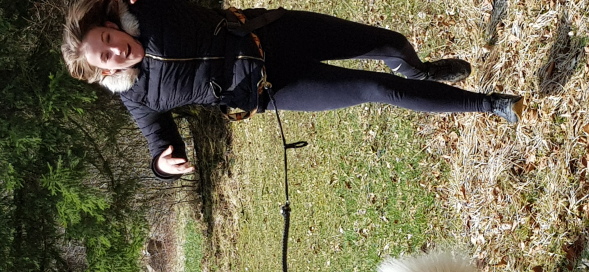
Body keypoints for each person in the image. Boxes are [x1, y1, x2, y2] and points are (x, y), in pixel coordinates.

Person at [60, 0, 525, 178]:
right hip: (271, 88)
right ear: (104, 73)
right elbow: (157, 138)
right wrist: (162, 162)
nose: (116, 51)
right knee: (376, 90)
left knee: (387, 42)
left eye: (107, 39)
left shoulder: (153, 11)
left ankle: (419, 72)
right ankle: (490, 104)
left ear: (109, 24)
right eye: (105, 57)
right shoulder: (137, 97)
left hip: (274, 32)